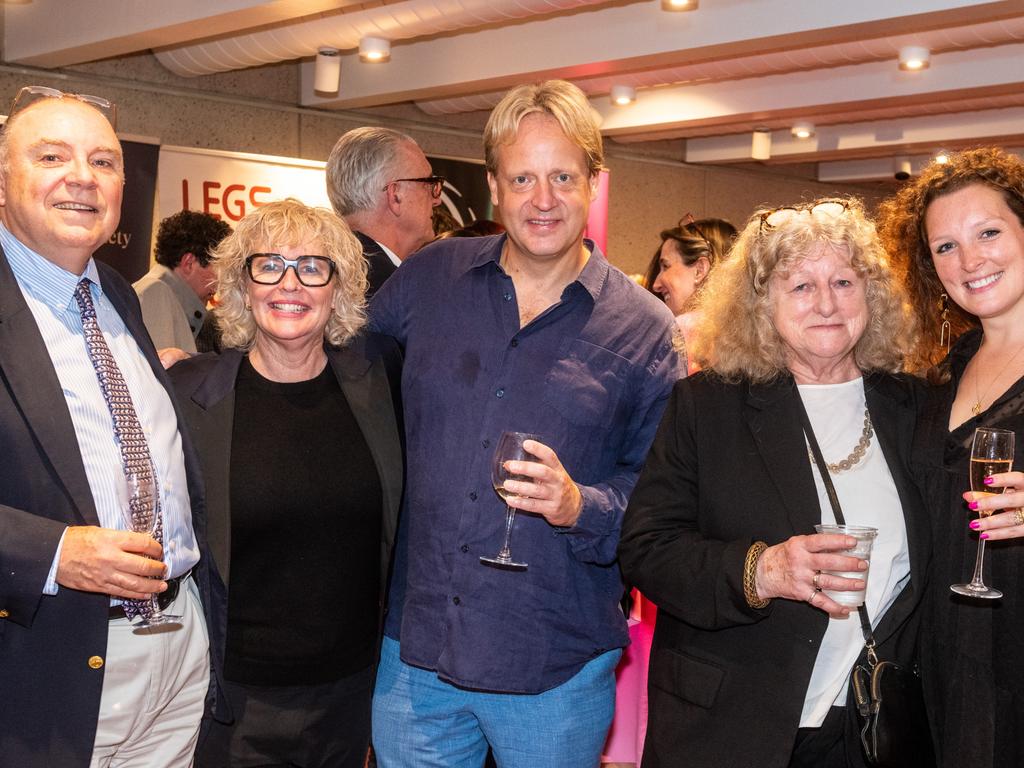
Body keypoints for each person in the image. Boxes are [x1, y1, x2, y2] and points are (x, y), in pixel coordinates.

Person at [369, 79, 681, 767]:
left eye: (564, 176)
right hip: (417, 655)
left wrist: (580, 504)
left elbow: (664, 493)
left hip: (552, 664)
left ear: (594, 183)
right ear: (493, 187)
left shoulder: (644, 328)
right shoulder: (430, 278)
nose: (543, 199)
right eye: (523, 178)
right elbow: (344, 371)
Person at [619, 197, 930, 768]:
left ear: (873, 294)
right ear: (762, 304)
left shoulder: (913, 409)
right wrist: (763, 570)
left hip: (867, 729)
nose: (827, 304)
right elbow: (646, 548)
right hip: (731, 726)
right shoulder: (707, 407)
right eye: (801, 286)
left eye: (843, 280)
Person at [0, 86, 224, 766]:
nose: (81, 177)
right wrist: (54, 554)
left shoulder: (116, 294)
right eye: (51, 155)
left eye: (103, 161)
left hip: (179, 641)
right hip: (52, 661)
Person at [166, 199, 403, 768]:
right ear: (241, 285)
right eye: (267, 265)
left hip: (350, 695)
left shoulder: (381, 385)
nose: (289, 284)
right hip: (231, 701)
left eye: (312, 267)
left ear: (337, 288)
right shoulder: (188, 395)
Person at [877, 147, 1024, 768]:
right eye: (945, 247)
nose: (969, 261)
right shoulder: (945, 371)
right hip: (945, 654)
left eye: (988, 232)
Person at [326, 126, 442, 295]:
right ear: (396, 196)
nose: (437, 200)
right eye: (429, 184)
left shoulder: (322, 270)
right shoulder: (394, 292)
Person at [134, 209, 231, 353]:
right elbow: (164, 371)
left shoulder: (157, 291)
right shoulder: (154, 292)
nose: (223, 279)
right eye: (220, 267)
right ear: (189, 263)